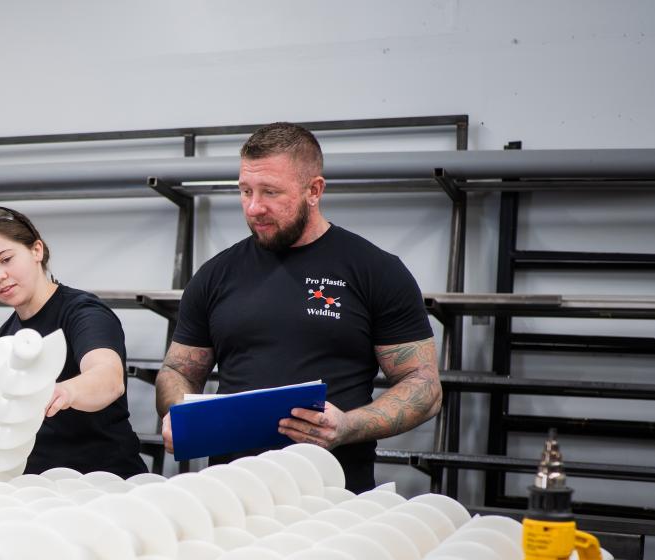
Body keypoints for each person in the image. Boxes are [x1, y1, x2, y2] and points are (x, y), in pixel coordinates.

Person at [156, 122, 441, 492]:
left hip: (331, 489)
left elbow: (425, 386)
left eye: (271, 192)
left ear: (314, 190)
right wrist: (179, 413)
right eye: (245, 191)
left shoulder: (375, 270)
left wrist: (347, 426)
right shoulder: (215, 274)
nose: (254, 207)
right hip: (230, 491)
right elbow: (177, 368)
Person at [0, 206, 148, 478]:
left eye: (5, 259)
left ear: (36, 250)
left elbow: (108, 378)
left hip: (102, 481)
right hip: (38, 486)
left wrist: (64, 392)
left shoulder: (83, 312)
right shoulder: (5, 337)